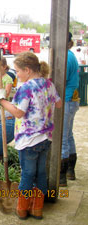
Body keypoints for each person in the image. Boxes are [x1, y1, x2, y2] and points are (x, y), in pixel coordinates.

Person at [0, 51, 62, 220]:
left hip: (29, 140)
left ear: (27, 70)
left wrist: (2, 100)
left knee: (27, 175)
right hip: (46, 138)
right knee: (40, 174)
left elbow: (18, 112)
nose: (16, 75)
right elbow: (59, 103)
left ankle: (22, 209)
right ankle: (37, 209)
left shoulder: (26, 87)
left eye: (17, 71)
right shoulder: (48, 84)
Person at [60, 32, 80, 187]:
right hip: (72, 100)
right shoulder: (70, 55)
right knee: (68, 134)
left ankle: (61, 177)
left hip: (66, 99)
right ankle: (70, 170)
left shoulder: (66, 56)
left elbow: (61, 78)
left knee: (62, 137)